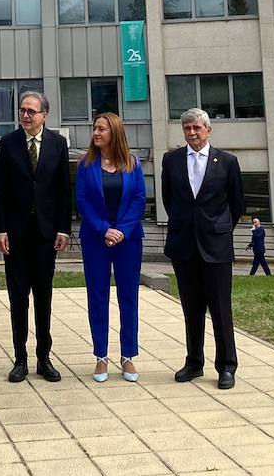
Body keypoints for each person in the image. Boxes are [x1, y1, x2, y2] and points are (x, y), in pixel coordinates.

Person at [162, 107, 244, 390]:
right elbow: (168, 200)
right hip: (184, 245)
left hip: (216, 247)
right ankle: (194, 362)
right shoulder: (171, 160)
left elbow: (237, 204)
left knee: (221, 308)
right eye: (187, 129)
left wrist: (218, 229)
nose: (192, 133)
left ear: (208, 130)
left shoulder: (228, 162)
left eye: (197, 128)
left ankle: (226, 366)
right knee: (191, 308)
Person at [0, 90, 70, 382]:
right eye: (22, 110)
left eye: (31, 111)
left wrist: (63, 228)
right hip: (16, 235)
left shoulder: (58, 144)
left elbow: (64, 190)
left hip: (46, 236)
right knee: (18, 298)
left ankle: (43, 358)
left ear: (44, 115)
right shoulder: (8, 143)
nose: (25, 115)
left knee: (44, 298)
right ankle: (20, 359)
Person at [76, 112, 146, 383]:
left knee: (128, 297)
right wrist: (105, 229)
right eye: (95, 128)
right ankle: (101, 357)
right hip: (96, 239)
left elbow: (139, 199)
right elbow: (82, 201)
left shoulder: (133, 163)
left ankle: (128, 355)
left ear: (114, 132)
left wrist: (121, 231)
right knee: (98, 297)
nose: (96, 133)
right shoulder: (86, 164)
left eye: (102, 129)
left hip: (128, 240)